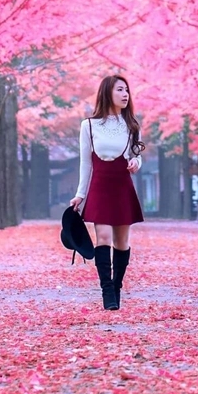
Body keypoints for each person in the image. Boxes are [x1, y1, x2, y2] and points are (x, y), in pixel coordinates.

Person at [70, 75, 145, 310]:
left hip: (122, 185)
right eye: (120, 90)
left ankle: (117, 286)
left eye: (127, 91)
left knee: (122, 242)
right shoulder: (89, 125)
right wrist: (80, 194)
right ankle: (107, 292)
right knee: (102, 238)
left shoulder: (132, 125)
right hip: (100, 185)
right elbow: (86, 163)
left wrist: (136, 163)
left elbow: (136, 155)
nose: (125, 95)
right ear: (107, 93)